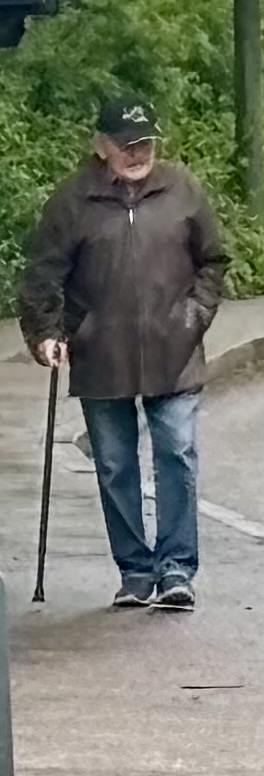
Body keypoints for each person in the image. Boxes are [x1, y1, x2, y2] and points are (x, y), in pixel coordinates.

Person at [20, 98, 228, 611]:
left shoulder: (182, 189)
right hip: (100, 351)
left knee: (176, 454)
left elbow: (214, 260)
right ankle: (135, 571)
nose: (137, 153)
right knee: (114, 465)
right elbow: (43, 272)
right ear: (101, 146)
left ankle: (177, 569)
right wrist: (45, 331)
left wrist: (193, 316)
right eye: (126, 144)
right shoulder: (72, 201)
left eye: (145, 143)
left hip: (173, 349)